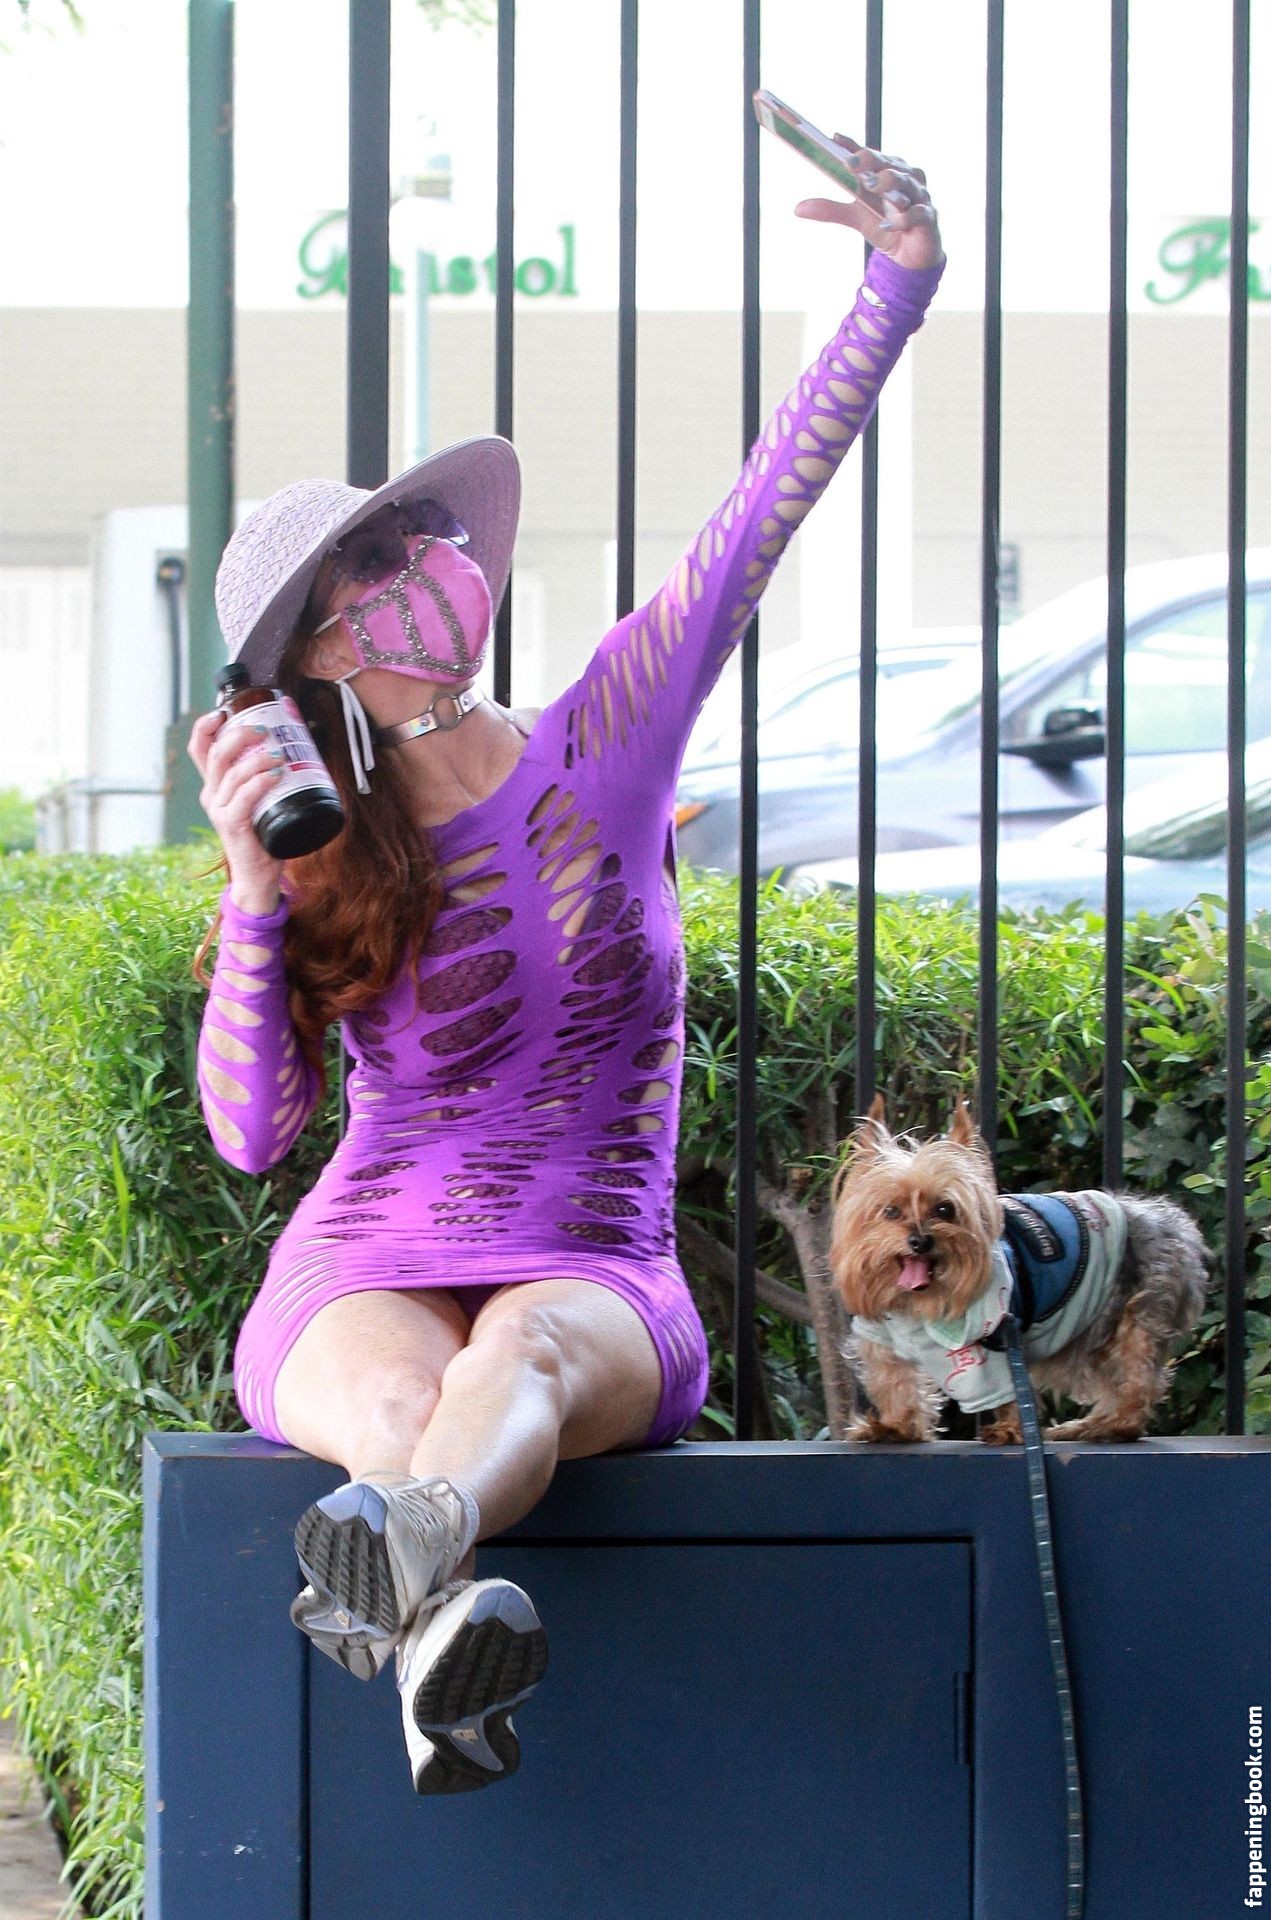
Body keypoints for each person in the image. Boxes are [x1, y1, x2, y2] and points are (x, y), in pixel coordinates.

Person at [189, 137, 944, 1796]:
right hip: (365, 1255)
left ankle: (396, 1577)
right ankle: (437, 1654)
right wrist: (252, 888)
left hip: (591, 1261)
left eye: (405, 538)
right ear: (313, 663)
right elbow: (252, 1136)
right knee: (403, 1412)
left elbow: (755, 521)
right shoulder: (319, 855)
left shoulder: (606, 740)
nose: (410, 572)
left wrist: (893, 285)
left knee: (508, 1365)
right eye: (358, 578)